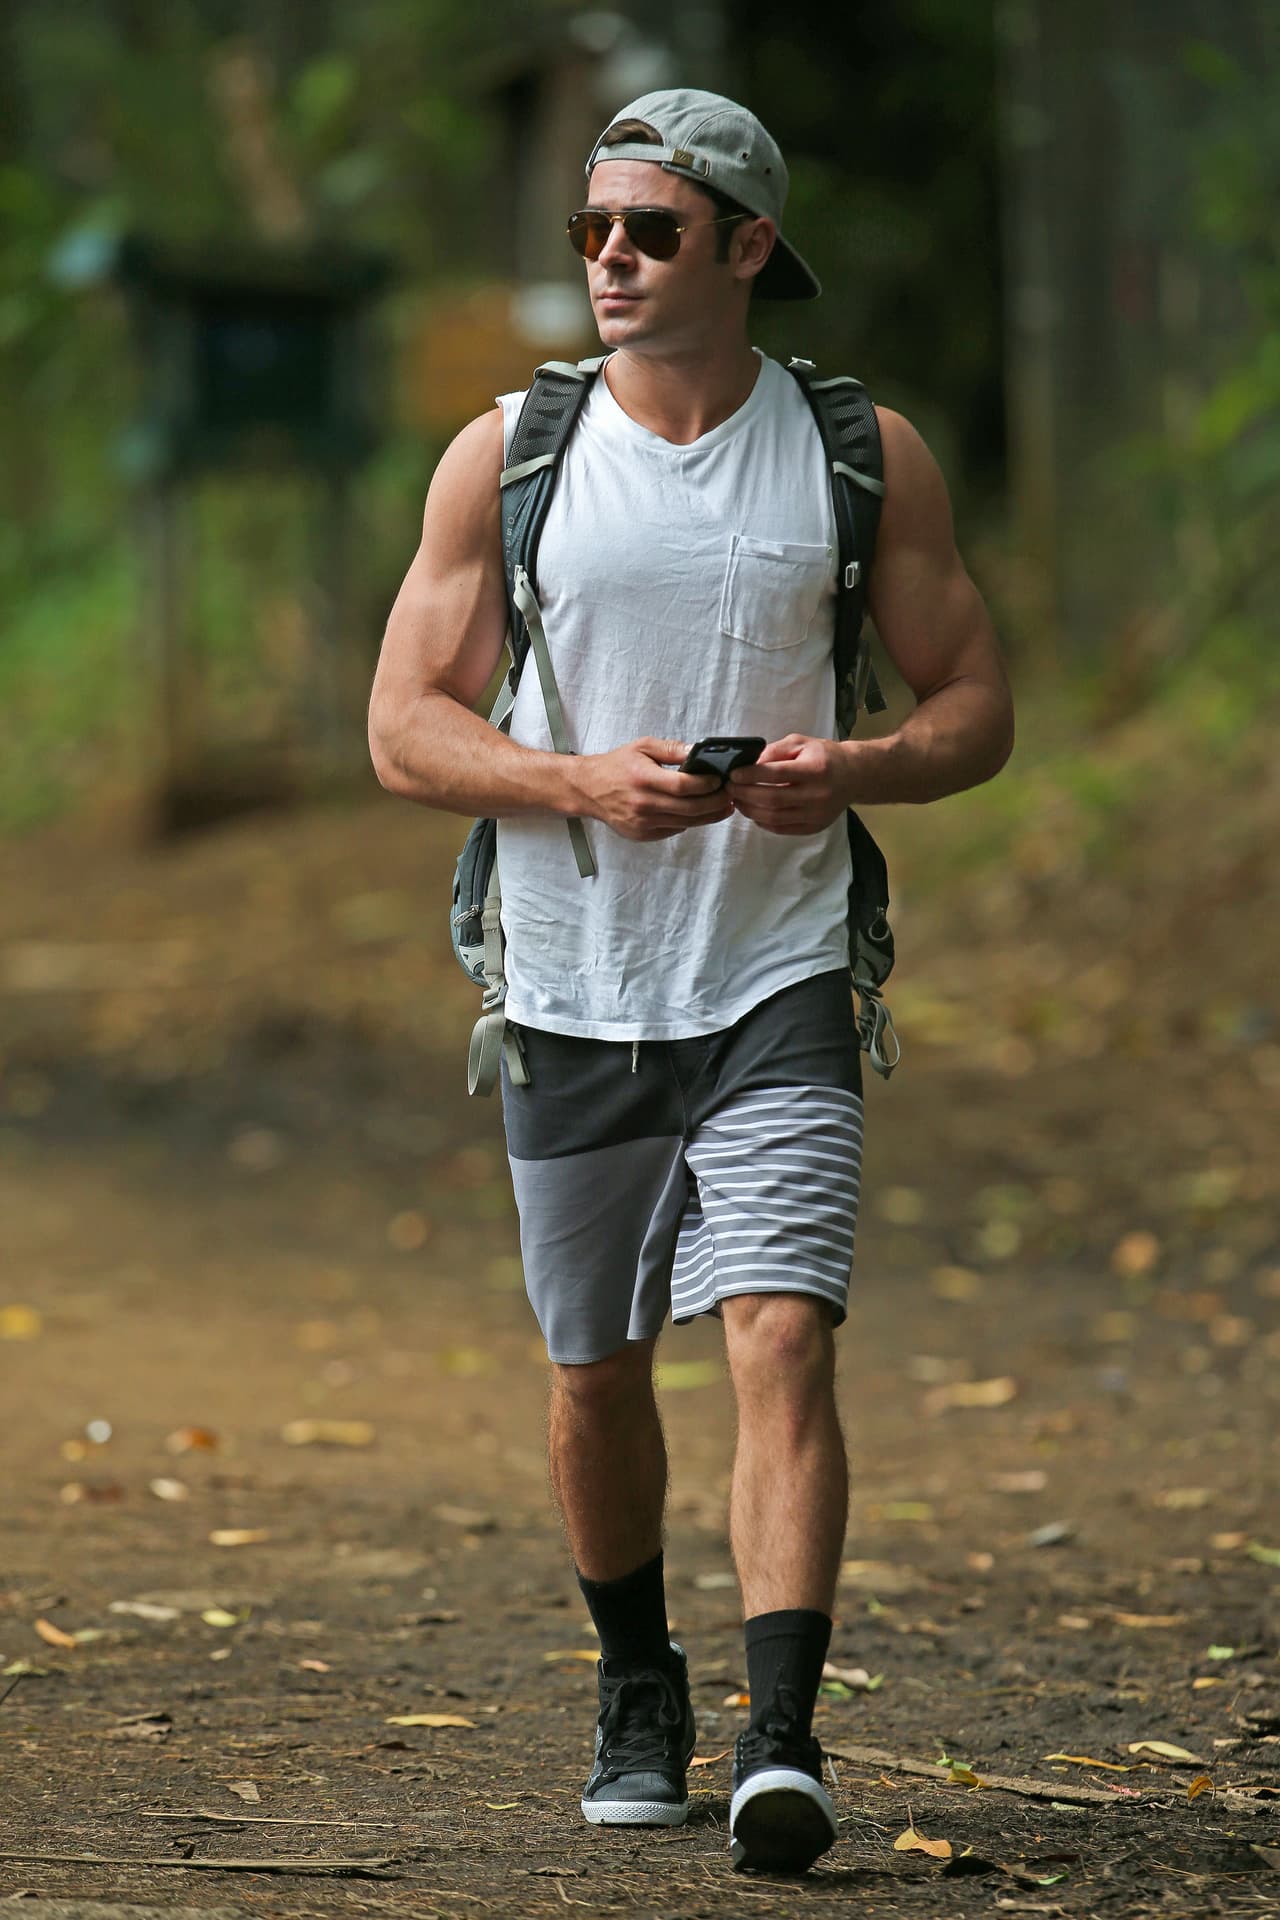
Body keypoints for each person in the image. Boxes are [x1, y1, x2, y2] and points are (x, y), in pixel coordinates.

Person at [368, 87, 1013, 1874]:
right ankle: (636, 1676)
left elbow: (973, 704)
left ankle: (779, 1736)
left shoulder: (861, 448)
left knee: (784, 1336)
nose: (614, 261)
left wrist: (853, 770)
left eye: (652, 230)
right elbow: (401, 726)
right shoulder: (511, 453)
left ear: (748, 247)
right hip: (570, 983)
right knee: (595, 1373)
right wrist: (577, 782)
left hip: (779, 968)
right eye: (593, 232)